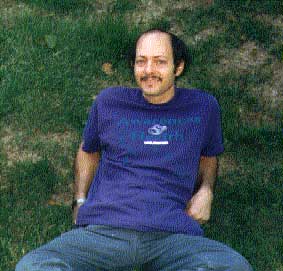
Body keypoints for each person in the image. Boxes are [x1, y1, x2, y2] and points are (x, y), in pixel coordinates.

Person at [16, 28, 253, 271]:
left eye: (160, 62)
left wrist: (206, 191)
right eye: (141, 62)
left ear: (178, 67)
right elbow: (88, 151)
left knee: (234, 266)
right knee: (34, 265)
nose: (149, 70)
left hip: (171, 235)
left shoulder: (203, 107)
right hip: (106, 231)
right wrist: (79, 201)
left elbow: (208, 156)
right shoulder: (110, 102)